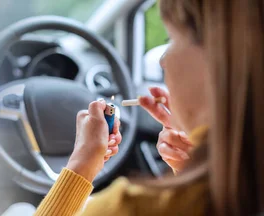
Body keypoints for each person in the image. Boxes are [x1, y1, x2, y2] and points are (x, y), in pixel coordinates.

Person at [34, 0, 264, 215]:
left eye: (171, 39)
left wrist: (81, 164)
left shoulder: (129, 208)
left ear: (220, 58)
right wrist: (196, 163)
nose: (162, 60)